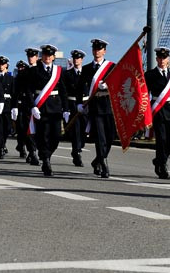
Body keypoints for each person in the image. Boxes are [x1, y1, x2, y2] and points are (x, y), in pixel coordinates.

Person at [26, 44, 69, 176]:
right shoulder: (34, 71)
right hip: (41, 107)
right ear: (41, 56)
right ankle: (45, 159)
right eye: (45, 55)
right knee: (43, 135)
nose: (48, 57)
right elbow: (29, 90)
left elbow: (63, 91)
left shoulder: (59, 71)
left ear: (54, 57)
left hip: (55, 107)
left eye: (50, 55)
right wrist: (33, 106)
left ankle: (47, 154)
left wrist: (66, 109)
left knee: (55, 136)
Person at [77, 38, 116, 178]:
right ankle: (104, 163)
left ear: (104, 51)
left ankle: (98, 160)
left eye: (99, 49)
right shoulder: (87, 68)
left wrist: (109, 86)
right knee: (100, 137)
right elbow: (80, 87)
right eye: (94, 49)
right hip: (96, 107)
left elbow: (119, 86)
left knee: (110, 136)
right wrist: (79, 103)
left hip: (109, 106)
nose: (97, 51)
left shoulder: (112, 67)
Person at [145, 47, 170, 179]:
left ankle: (159, 160)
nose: (162, 60)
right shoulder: (149, 75)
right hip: (157, 110)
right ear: (156, 59)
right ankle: (162, 166)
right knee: (161, 140)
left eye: (164, 58)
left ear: (168, 59)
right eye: (160, 58)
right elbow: (144, 94)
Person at [62, 49, 88, 166]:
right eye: (74, 58)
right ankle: (76, 152)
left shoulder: (87, 72)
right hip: (73, 104)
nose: (76, 60)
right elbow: (65, 93)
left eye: (78, 58)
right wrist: (66, 109)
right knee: (76, 130)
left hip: (86, 104)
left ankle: (79, 146)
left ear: (82, 60)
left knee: (84, 130)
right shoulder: (67, 74)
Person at [0, 55, 13, 159]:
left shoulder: (10, 78)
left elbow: (13, 93)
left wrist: (14, 107)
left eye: (3, 64)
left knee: (7, 128)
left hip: (7, 104)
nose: (1, 66)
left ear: (6, 65)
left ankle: (3, 143)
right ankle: (0, 147)